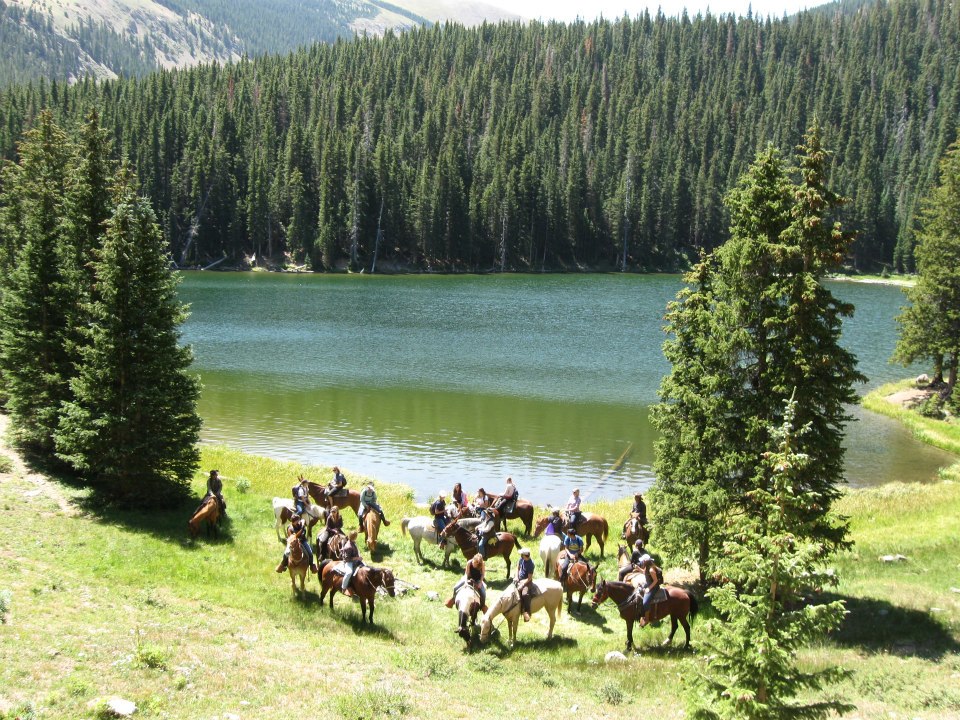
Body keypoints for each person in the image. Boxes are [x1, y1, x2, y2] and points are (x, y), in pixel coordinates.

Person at [639, 555, 663, 624]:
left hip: (654, 587)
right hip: (648, 584)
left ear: (646, 561)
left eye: (643, 561)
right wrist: (638, 568)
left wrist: (648, 589)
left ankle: (647, 619)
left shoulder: (651, 570)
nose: (642, 562)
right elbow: (644, 573)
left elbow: (655, 581)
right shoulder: (647, 568)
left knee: (645, 603)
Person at [339, 530, 364, 597]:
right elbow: (347, 559)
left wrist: (359, 555)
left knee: (365, 567)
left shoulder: (353, 542)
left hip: (356, 559)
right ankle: (343, 588)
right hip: (348, 562)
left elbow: (357, 550)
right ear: (354, 537)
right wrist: (357, 558)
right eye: (356, 536)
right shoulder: (348, 546)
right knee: (349, 572)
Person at [516, 547, 535, 622]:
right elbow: (517, 568)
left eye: (522, 554)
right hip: (519, 579)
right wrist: (516, 576)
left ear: (525, 555)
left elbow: (529, 578)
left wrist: (522, 584)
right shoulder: (521, 560)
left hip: (526, 581)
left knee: (524, 594)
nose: (520, 555)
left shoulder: (531, 564)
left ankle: (527, 611)